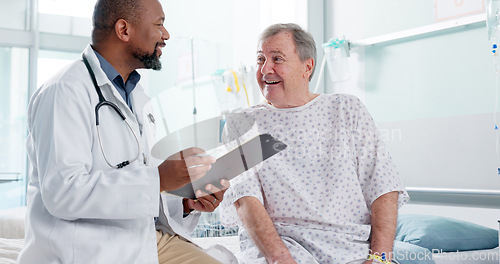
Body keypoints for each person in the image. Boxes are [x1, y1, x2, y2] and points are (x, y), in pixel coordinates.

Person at [17, 0, 230, 263]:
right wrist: (160, 179)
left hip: (140, 242)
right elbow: (63, 193)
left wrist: (185, 201)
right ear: (124, 30)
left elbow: (141, 184)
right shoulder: (65, 91)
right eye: (159, 24)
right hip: (85, 250)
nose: (166, 35)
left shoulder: (138, 98)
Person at [220, 23, 409, 264]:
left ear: (307, 66)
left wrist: (380, 258)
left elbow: (383, 187)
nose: (265, 69)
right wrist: (281, 260)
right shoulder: (241, 124)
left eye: (277, 59)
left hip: (350, 248)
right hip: (279, 247)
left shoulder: (347, 110)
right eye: (260, 59)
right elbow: (245, 199)